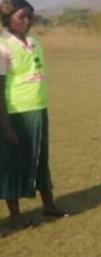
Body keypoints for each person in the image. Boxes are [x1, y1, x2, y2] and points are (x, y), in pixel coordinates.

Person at [0, 0, 69, 229]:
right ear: (8, 19)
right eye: (22, 16)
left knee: (41, 159)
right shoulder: (2, 46)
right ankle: (15, 215)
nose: (27, 21)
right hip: (16, 113)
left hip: (39, 109)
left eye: (31, 16)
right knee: (14, 164)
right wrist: (6, 126)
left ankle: (49, 204)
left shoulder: (34, 42)